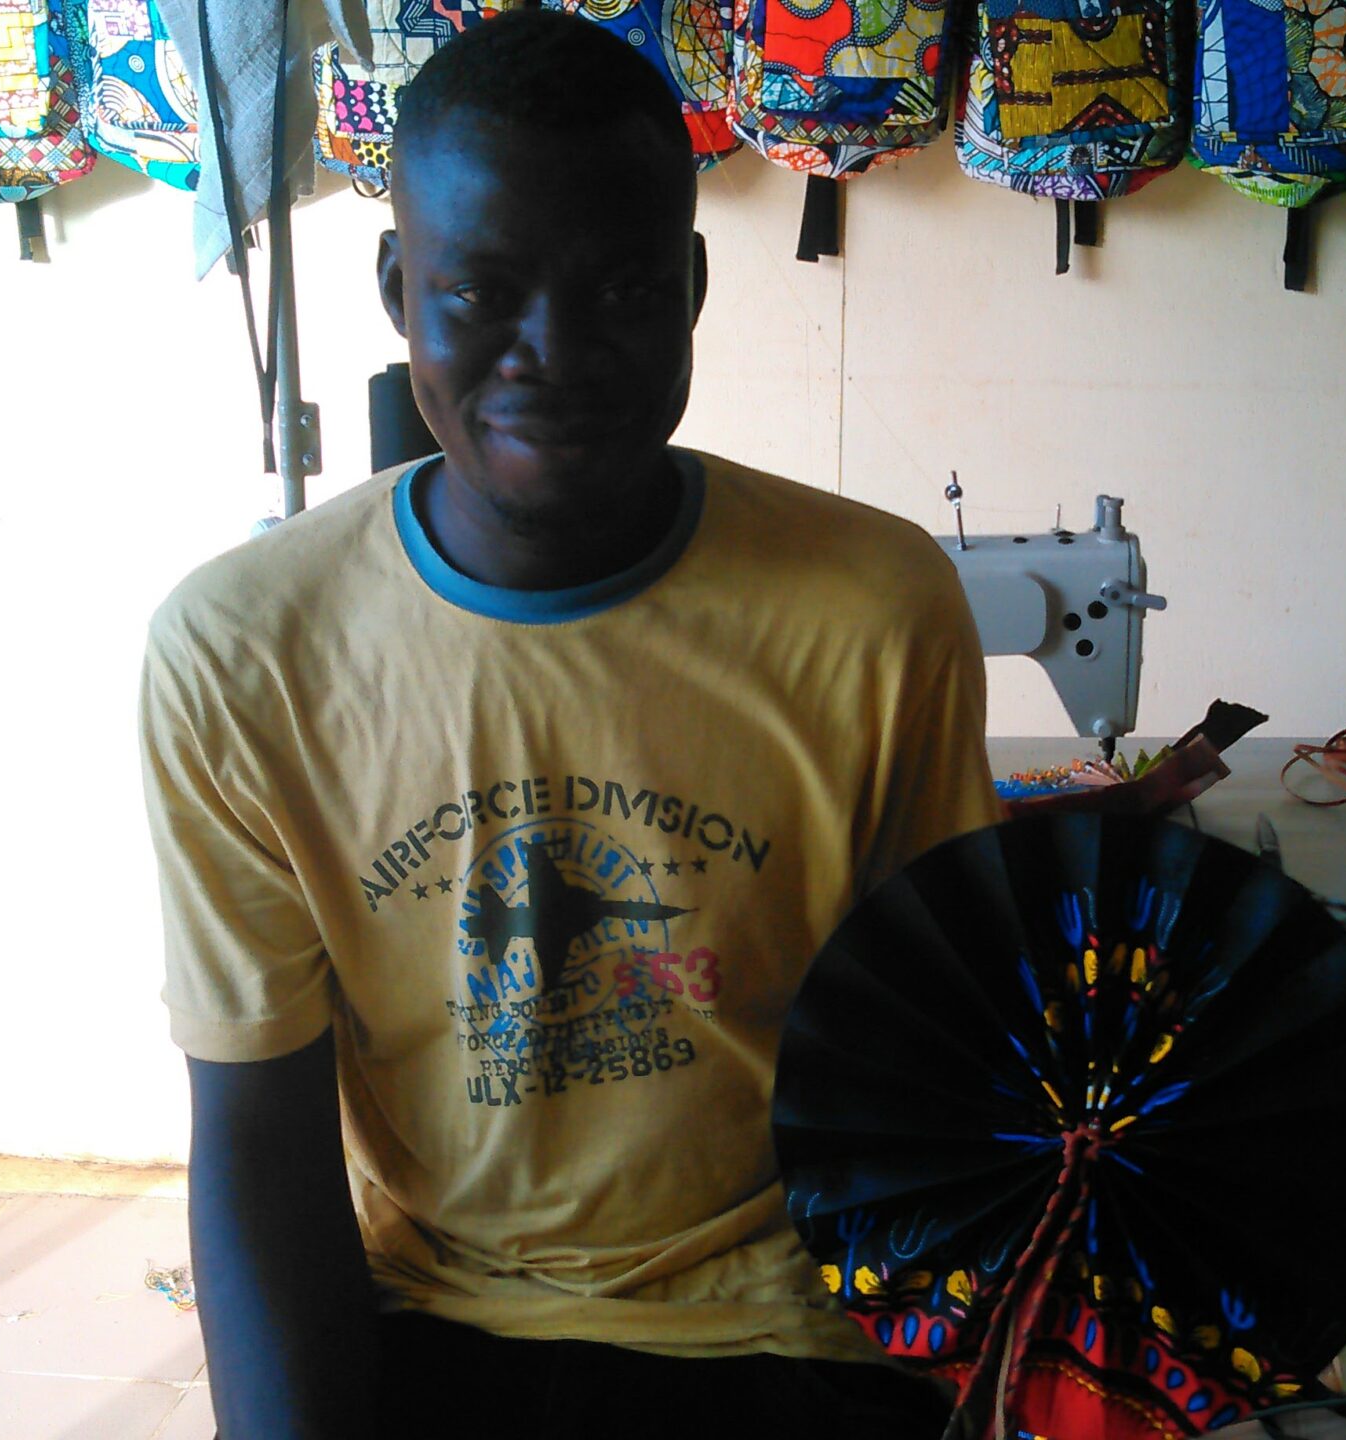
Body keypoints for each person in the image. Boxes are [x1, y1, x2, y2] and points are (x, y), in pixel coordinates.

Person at [137, 13, 1000, 1437]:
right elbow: (258, 1146)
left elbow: (933, 1072)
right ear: (399, 288)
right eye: (481, 291)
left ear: (694, 292)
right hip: (441, 1316)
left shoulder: (877, 612)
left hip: (797, 1331)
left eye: (623, 291)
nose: (557, 352)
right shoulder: (243, 657)